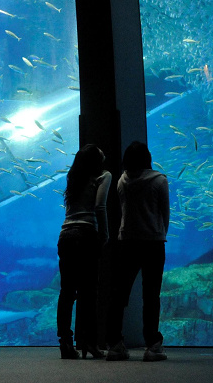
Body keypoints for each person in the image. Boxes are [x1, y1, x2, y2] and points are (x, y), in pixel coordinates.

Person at [105, 141, 169, 363]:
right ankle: (152, 345)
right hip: (153, 242)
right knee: (151, 296)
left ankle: (114, 344)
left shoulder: (122, 180)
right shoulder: (160, 180)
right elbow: (165, 212)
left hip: (127, 242)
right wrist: (159, 232)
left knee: (119, 294)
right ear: (148, 158)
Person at [57, 143, 111, 359]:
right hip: (87, 234)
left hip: (66, 235)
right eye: (101, 153)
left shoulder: (73, 178)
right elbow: (100, 206)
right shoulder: (104, 176)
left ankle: (66, 343)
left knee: (67, 292)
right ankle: (89, 342)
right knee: (89, 292)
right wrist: (104, 234)